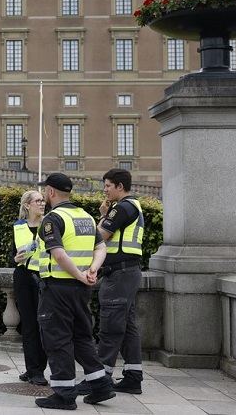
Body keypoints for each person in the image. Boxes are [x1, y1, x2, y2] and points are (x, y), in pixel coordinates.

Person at [34, 173, 115, 410]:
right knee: (81, 337)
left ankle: (64, 394)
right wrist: (92, 270)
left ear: (51, 192)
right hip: (81, 290)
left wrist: (80, 274)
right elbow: (101, 248)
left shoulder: (52, 219)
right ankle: (101, 384)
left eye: (45, 190)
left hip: (57, 288)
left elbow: (58, 254)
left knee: (57, 339)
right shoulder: (86, 217)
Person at [77, 168, 145, 396]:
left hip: (119, 275)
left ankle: (99, 380)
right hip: (127, 272)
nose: (105, 190)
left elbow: (99, 236)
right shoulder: (133, 206)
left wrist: (103, 216)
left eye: (108, 185)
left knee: (110, 327)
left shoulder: (122, 208)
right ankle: (133, 377)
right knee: (128, 327)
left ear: (120, 186)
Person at [12, 190, 48, 386]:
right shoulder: (18, 226)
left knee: (43, 324)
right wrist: (15, 258)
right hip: (24, 277)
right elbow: (13, 253)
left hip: (44, 277)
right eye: (38, 201)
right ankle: (33, 369)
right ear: (27, 205)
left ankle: (38, 368)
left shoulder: (49, 223)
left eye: (43, 200)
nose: (42, 203)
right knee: (28, 325)